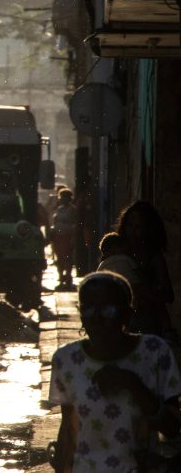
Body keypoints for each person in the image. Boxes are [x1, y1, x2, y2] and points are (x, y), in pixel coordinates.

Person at [50, 271, 181, 472]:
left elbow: (172, 427)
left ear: (126, 314)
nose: (97, 319)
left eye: (108, 310)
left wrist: (132, 384)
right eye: (88, 310)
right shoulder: (66, 360)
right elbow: (68, 431)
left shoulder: (154, 352)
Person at [115, 201, 176, 342]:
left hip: (147, 323)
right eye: (130, 226)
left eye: (138, 227)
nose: (133, 231)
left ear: (148, 229)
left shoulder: (153, 257)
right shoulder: (119, 252)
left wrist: (143, 290)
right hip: (120, 321)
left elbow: (168, 295)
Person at [51, 188, 80, 290]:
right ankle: (60, 279)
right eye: (61, 197)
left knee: (67, 258)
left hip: (67, 236)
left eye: (64, 197)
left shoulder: (72, 209)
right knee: (59, 259)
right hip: (57, 237)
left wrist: (73, 238)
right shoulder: (59, 209)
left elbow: (75, 225)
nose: (61, 199)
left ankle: (68, 277)